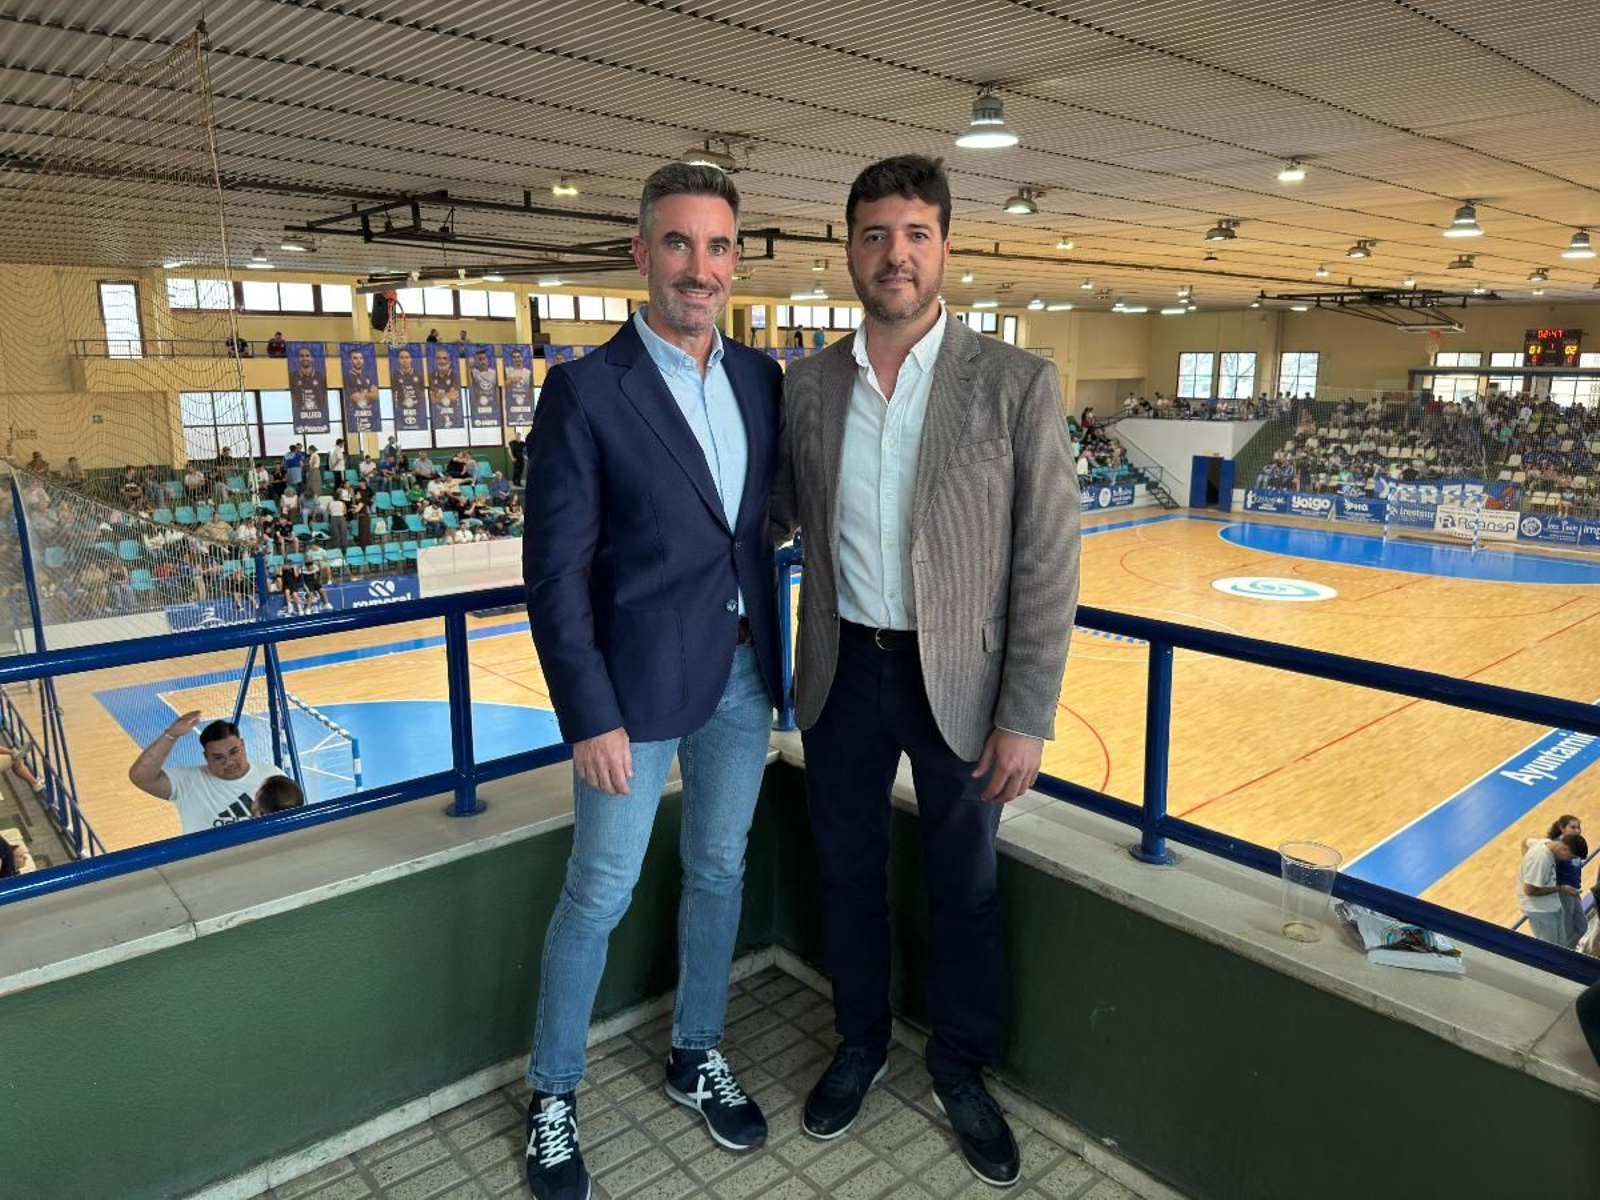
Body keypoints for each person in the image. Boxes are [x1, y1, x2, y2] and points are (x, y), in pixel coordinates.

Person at [768, 155, 1078, 1190]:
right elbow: (766, 515)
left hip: (964, 682)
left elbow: (1045, 560)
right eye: (872, 235)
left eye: (912, 234)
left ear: (945, 246)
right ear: (848, 249)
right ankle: (859, 1042)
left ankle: (959, 1067)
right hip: (841, 671)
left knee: (966, 889)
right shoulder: (807, 385)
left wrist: (1025, 712)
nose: (892, 255)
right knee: (847, 874)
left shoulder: (1015, 384)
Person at [520, 162, 783, 1200]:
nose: (699, 268)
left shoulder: (760, 379)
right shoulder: (587, 390)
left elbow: (757, 526)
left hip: (744, 677)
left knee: (719, 870)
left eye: (717, 247)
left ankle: (694, 1050)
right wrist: (589, 714)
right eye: (678, 244)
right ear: (640, 254)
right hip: (630, 702)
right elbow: (554, 575)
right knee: (599, 892)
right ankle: (553, 1093)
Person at [127, 712, 290, 833]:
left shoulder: (271, 775)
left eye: (234, 752)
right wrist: (171, 735)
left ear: (243, 745)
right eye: (218, 757)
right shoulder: (188, 782)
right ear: (206, 756)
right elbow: (141, 777)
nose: (229, 762)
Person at [1518, 832, 1586, 944]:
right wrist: (1560, 889)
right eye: (1571, 857)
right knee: (1552, 948)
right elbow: (1529, 890)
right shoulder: (1541, 859)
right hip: (1540, 910)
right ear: (1565, 848)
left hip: (1551, 906)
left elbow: (1525, 841)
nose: (1568, 861)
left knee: (1563, 944)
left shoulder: (1546, 843)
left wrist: (1528, 869)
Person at [1546, 815, 1588, 948]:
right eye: (1573, 827)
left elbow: (1576, 870)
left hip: (1574, 891)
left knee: (1582, 926)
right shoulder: (1558, 848)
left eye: (1578, 827)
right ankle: (1566, 951)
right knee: (1568, 929)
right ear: (1562, 828)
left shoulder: (1575, 845)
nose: (1577, 830)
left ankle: (1569, 946)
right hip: (1564, 894)